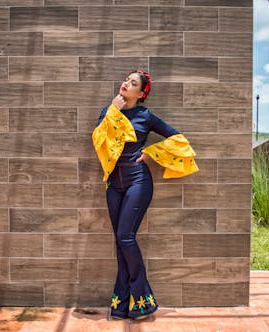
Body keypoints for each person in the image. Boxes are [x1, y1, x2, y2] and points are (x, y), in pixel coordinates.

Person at [92, 70, 199, 320]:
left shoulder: (145, 115)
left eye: (133, 83)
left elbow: (178, 139)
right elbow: (98, 139)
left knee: (125, 237)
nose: (126, 84)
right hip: (113, 184)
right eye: (126, 80)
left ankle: (142, 299)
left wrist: (152, 153)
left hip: (137, 180)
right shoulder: (109, 111)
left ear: (141, 94)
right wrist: (112, 111)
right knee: (120, 243)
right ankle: (123, 305)